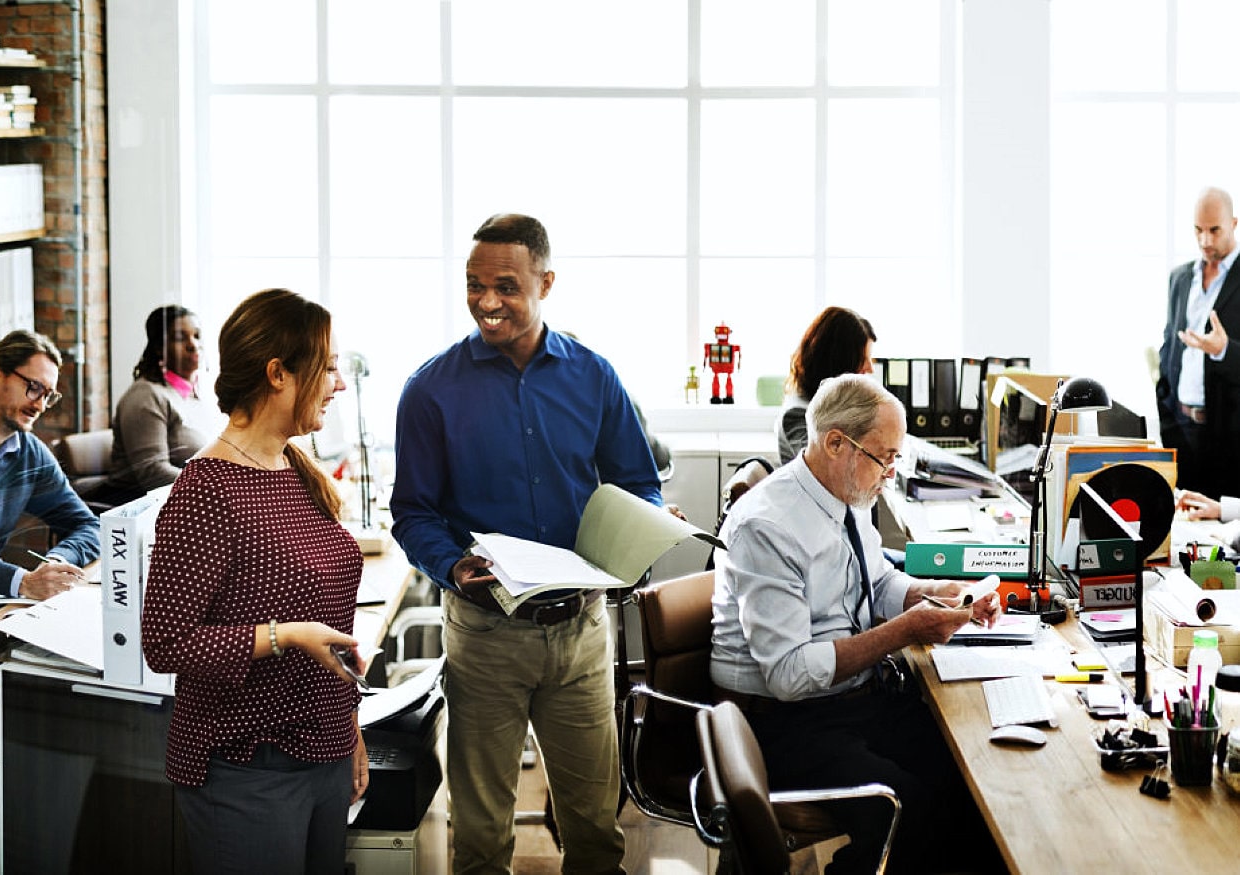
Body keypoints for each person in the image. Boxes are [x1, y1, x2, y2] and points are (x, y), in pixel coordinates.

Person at [391, 213, 661, 874]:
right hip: (486, 634)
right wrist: (452, 563)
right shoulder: (430, 390)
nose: (487, 301)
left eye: (506, 286)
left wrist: (633, 542)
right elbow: (413, 513)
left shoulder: (593, 375)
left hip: (579, 634)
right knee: (480, 836)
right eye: (474, 285)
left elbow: (638, 484)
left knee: (596, 829)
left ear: (546, 282)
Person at [711, 373, 1003, 874]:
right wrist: (908, 629)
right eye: (884, 457)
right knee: (909, 808)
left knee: (977, 783)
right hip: (782, 722)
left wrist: (935, 593)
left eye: (896, 457)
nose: (891, 472)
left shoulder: (847, 494)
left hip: (851, 701)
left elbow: (877, 581)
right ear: (835, 443)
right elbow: (789, 674)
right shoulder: (769, 524)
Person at [140, 288, 368, 874]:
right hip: (247, 770)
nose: (338, 384)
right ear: (278, 374)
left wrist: (348, 728)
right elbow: (165, 643)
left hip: (323, 752)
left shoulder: (293, 466)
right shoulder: (206, 491)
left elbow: (332, 621)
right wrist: (286, 635)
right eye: (330, 367)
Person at [0, 329, 99, 664]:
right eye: (34, 387)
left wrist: (55, 563)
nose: (40, 404)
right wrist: (22, 582)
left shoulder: (29, 454)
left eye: (49, 396)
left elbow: (88, 525)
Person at [1157, 186, 1240, 498]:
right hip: (1181, 430)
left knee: (1223, 539)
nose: (1205, 241)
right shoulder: (1180, 278)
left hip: (1228, 439)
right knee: (1184, 532)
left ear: (1233, 224)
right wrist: (1167, 415)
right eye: (1198, 230)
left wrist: (1224, 350)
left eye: (1214, 230)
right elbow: (1169, 347)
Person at [98, 305, 224, 505]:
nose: (193, 345)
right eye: (180, 338)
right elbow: (153, 473)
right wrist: (217, 488)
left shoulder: (200, 394)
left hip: (188, 500)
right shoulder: (146, 396)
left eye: (197, 336)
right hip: (137, 506)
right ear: (159, 348)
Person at [776, 306, 877, 465]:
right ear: (839, 361)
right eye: (863, 359)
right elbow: (829, 470)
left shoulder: (832, 404)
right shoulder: (798, 414)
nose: (870, 368)